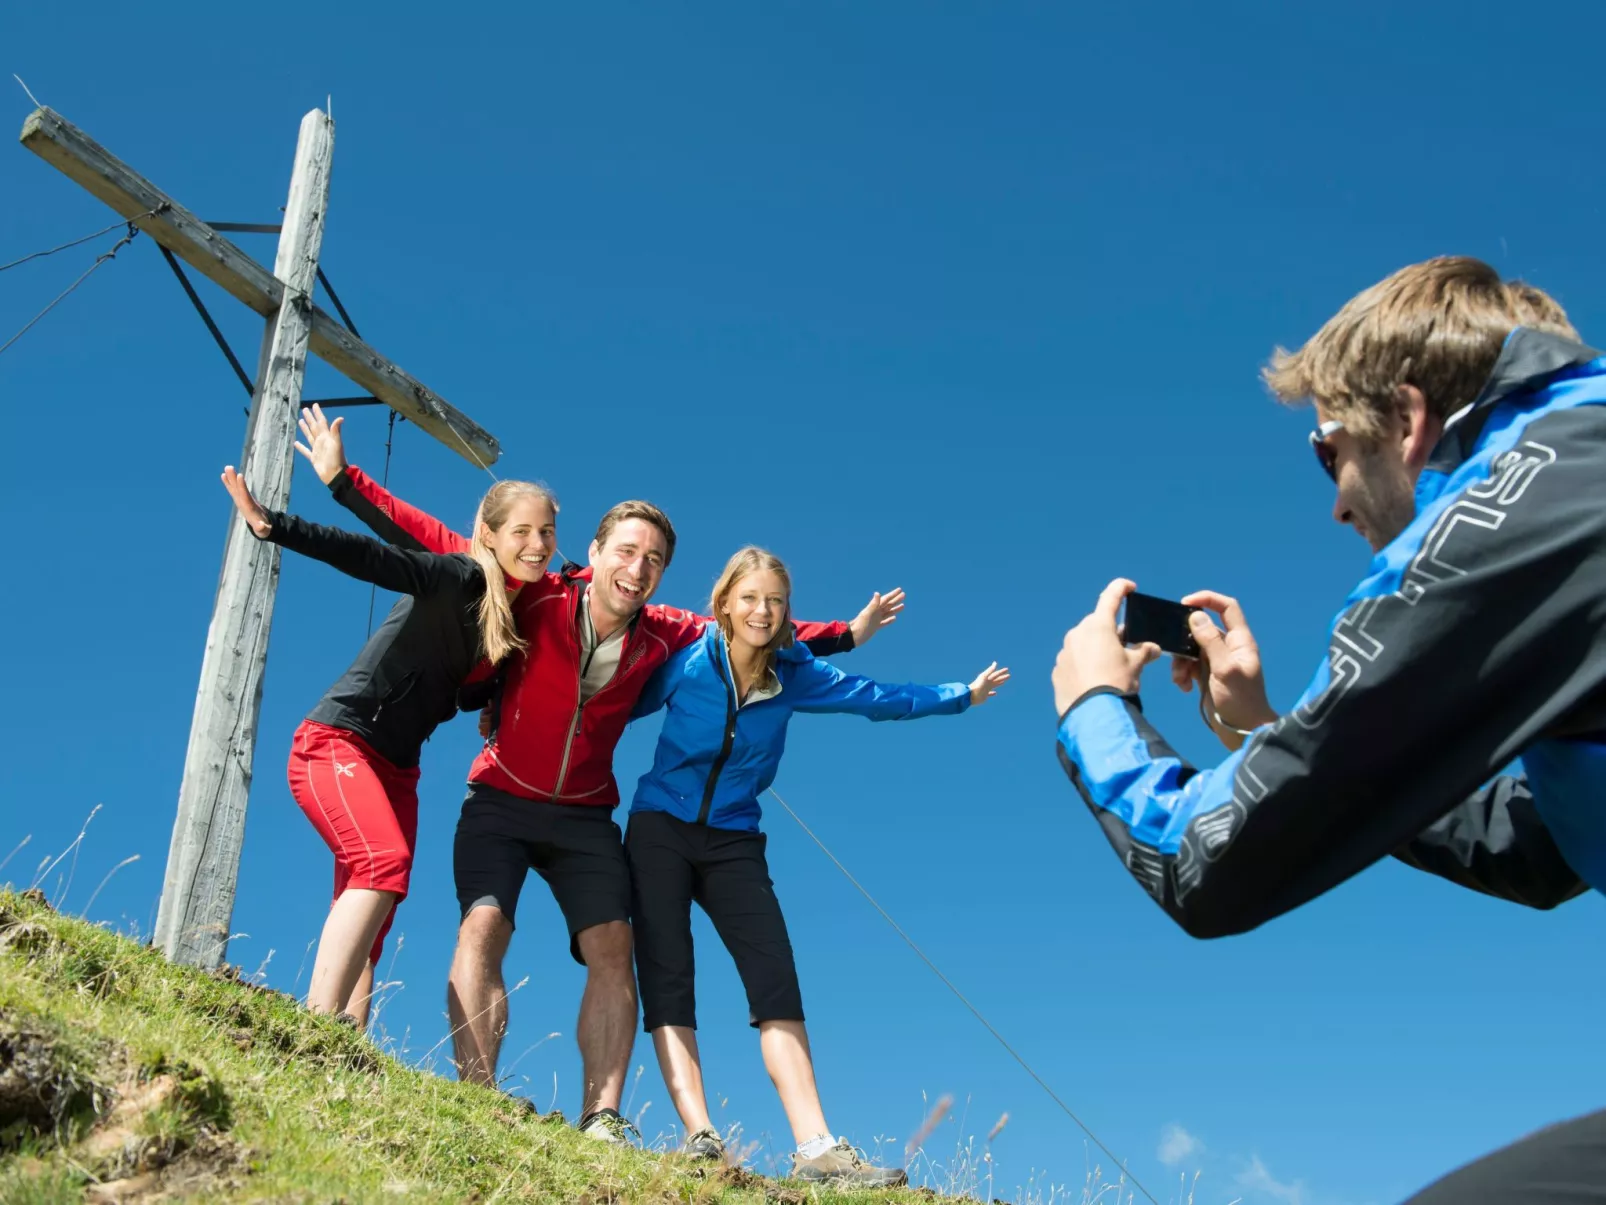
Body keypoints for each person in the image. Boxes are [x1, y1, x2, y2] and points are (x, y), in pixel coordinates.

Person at [1049, 257, 1606, 1202]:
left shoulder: (1518, 502)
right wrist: (1267, 730)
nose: (1338, 502)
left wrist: (1095, 708)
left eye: (1329, 452)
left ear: (1408, 419)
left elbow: (1206, 863)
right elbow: (1535, 848)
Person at [293, 406, 900, 1141]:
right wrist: (344, 482)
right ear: (595, 551)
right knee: (483, 925)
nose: (637, 569)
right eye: (627, 551)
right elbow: (442, 544)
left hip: (584, 815)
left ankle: (602, 1116)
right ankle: (480, 1097)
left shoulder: (667, 632)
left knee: (614, 941)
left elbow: (752, 625)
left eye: (654, 560)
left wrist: (845, 635)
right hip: (499, 798)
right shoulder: (536, 593)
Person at [624, 546, 1009, 1185]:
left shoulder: (796, 674)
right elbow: (616, 700)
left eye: (775, 601)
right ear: (724, 605)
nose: (762, 611)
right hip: (660, 827)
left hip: (734, 839)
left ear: (786, 613)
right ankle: (700, 1136)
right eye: (750, 598)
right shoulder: (687, 659)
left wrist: (961, 696)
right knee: (669, 974)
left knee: (775, 980)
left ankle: (817, 1149)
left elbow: (877, 698)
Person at [218, 447, 556, 1028]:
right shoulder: (459, 575)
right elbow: (372, 555)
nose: (537, 543)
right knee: (382, 863)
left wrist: (493, 701)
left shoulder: (516, 614)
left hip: (398, 767)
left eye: (546, 532)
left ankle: (345, 1048)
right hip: (337, 743)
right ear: (490, 535)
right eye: (522, 531)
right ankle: (315, 1028)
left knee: (378, 900)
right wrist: (274, 525)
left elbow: (466, 686)